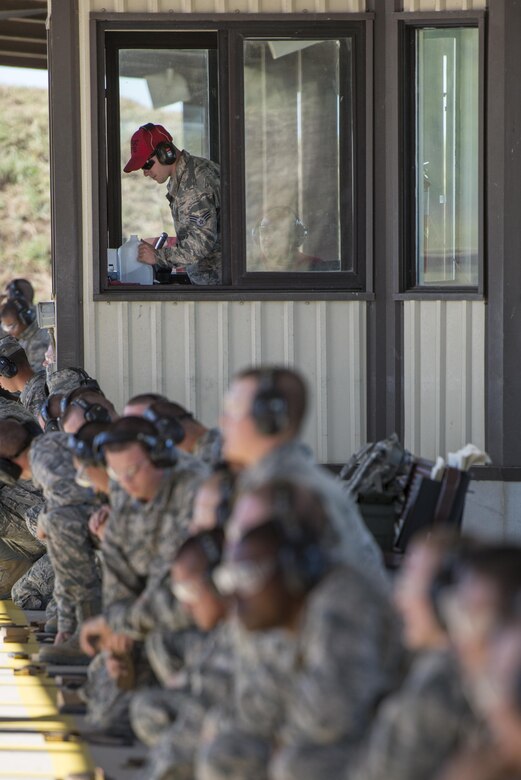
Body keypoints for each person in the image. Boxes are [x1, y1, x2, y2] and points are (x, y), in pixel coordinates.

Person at [201, 480, 403, 780]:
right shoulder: (295, 606)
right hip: (349, 741)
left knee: (294, 765)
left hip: (395, 749)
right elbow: (266, 691)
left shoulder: (345, 597)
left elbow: (330, 716)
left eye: (249, 572)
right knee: (227, 748)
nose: (237, 596)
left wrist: (276, 737)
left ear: (293, 560)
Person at [349, 530, 478, 780]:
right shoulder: (443, 664)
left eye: (409, 581)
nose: (399, 599)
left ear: (442, 595)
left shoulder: (438, 683)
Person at [123, 122, 221, 285]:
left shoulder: (193, 184)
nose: (146, 173)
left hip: (219, 287)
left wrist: (158, 257)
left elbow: (200, 243)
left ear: (165, 153)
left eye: (147, 164)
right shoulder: (190, 175)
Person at [251, 206, 334, 272]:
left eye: (274, 230)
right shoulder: (252, 267)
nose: (266, 238)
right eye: (263, 231)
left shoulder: (314, 265)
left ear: (294, 236)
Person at [0, 298, 50, 373]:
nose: (9, 331)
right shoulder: (25, 336)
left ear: (24, 319)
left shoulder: (38, 342)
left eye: (12, 326)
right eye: (6, 327)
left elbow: (39, 376)